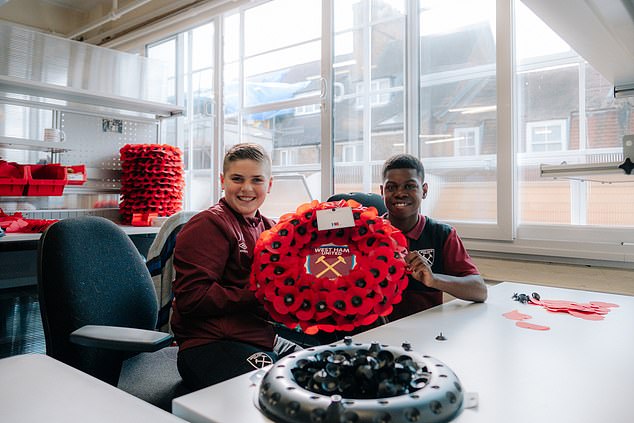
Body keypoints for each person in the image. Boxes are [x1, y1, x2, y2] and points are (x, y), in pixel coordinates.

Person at [171, 143, 298, 391]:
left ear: (269, 185)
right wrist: (263, 292)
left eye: (257, 180)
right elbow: (193, 299)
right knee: (274, 393)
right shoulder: (207, 225)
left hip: (259, 338)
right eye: (237, 179)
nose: (247, 189)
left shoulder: (270, 228)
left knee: (318, 371)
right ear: (223, 180)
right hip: (209, 344)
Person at [380, 153, 487, 322]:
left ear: (424, 191)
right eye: (391, 187)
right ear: (382, 192)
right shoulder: (367, 234)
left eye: (409, 186)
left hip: (426, 333)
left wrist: (435, 279)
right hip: (374, 334)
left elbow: (480, 290)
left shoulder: (442, 235)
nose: (400, 193)